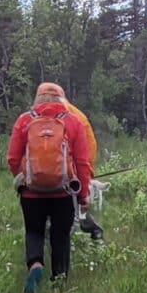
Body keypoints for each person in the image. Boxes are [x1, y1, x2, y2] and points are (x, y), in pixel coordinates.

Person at [6, 82, 95, 293]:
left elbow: (12, 158)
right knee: (60, 236)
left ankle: (35, 264)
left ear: (38, 97)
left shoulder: (24, 120)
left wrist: (26, 178)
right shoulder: (73, 122)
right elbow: (83, 163)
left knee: (34, 231)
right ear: (61, 98)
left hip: (31, 193)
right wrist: (83, 196)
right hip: (63, 192)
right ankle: (59, 283)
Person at [63, 96, 107, 242]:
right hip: (74, 175)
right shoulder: (77, 116)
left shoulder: (33, 117)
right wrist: (88, 174)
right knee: (76, 209)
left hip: (41, 179)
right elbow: (89, 147)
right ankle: (93, 234)